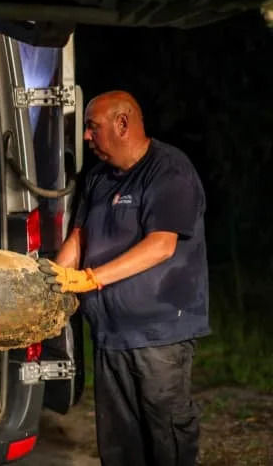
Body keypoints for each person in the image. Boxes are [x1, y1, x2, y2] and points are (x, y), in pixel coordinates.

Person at [38, 90, 210, 466]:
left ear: (122, 123)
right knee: (120, 444)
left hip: (158, 336)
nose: (86, 136)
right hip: (109, 334)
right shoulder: (99, 177)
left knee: (166, 437)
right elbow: (79, 237)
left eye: (92, 127)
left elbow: (161, 245)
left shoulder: (169, 171)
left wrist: (90, 279)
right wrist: (54, 277)